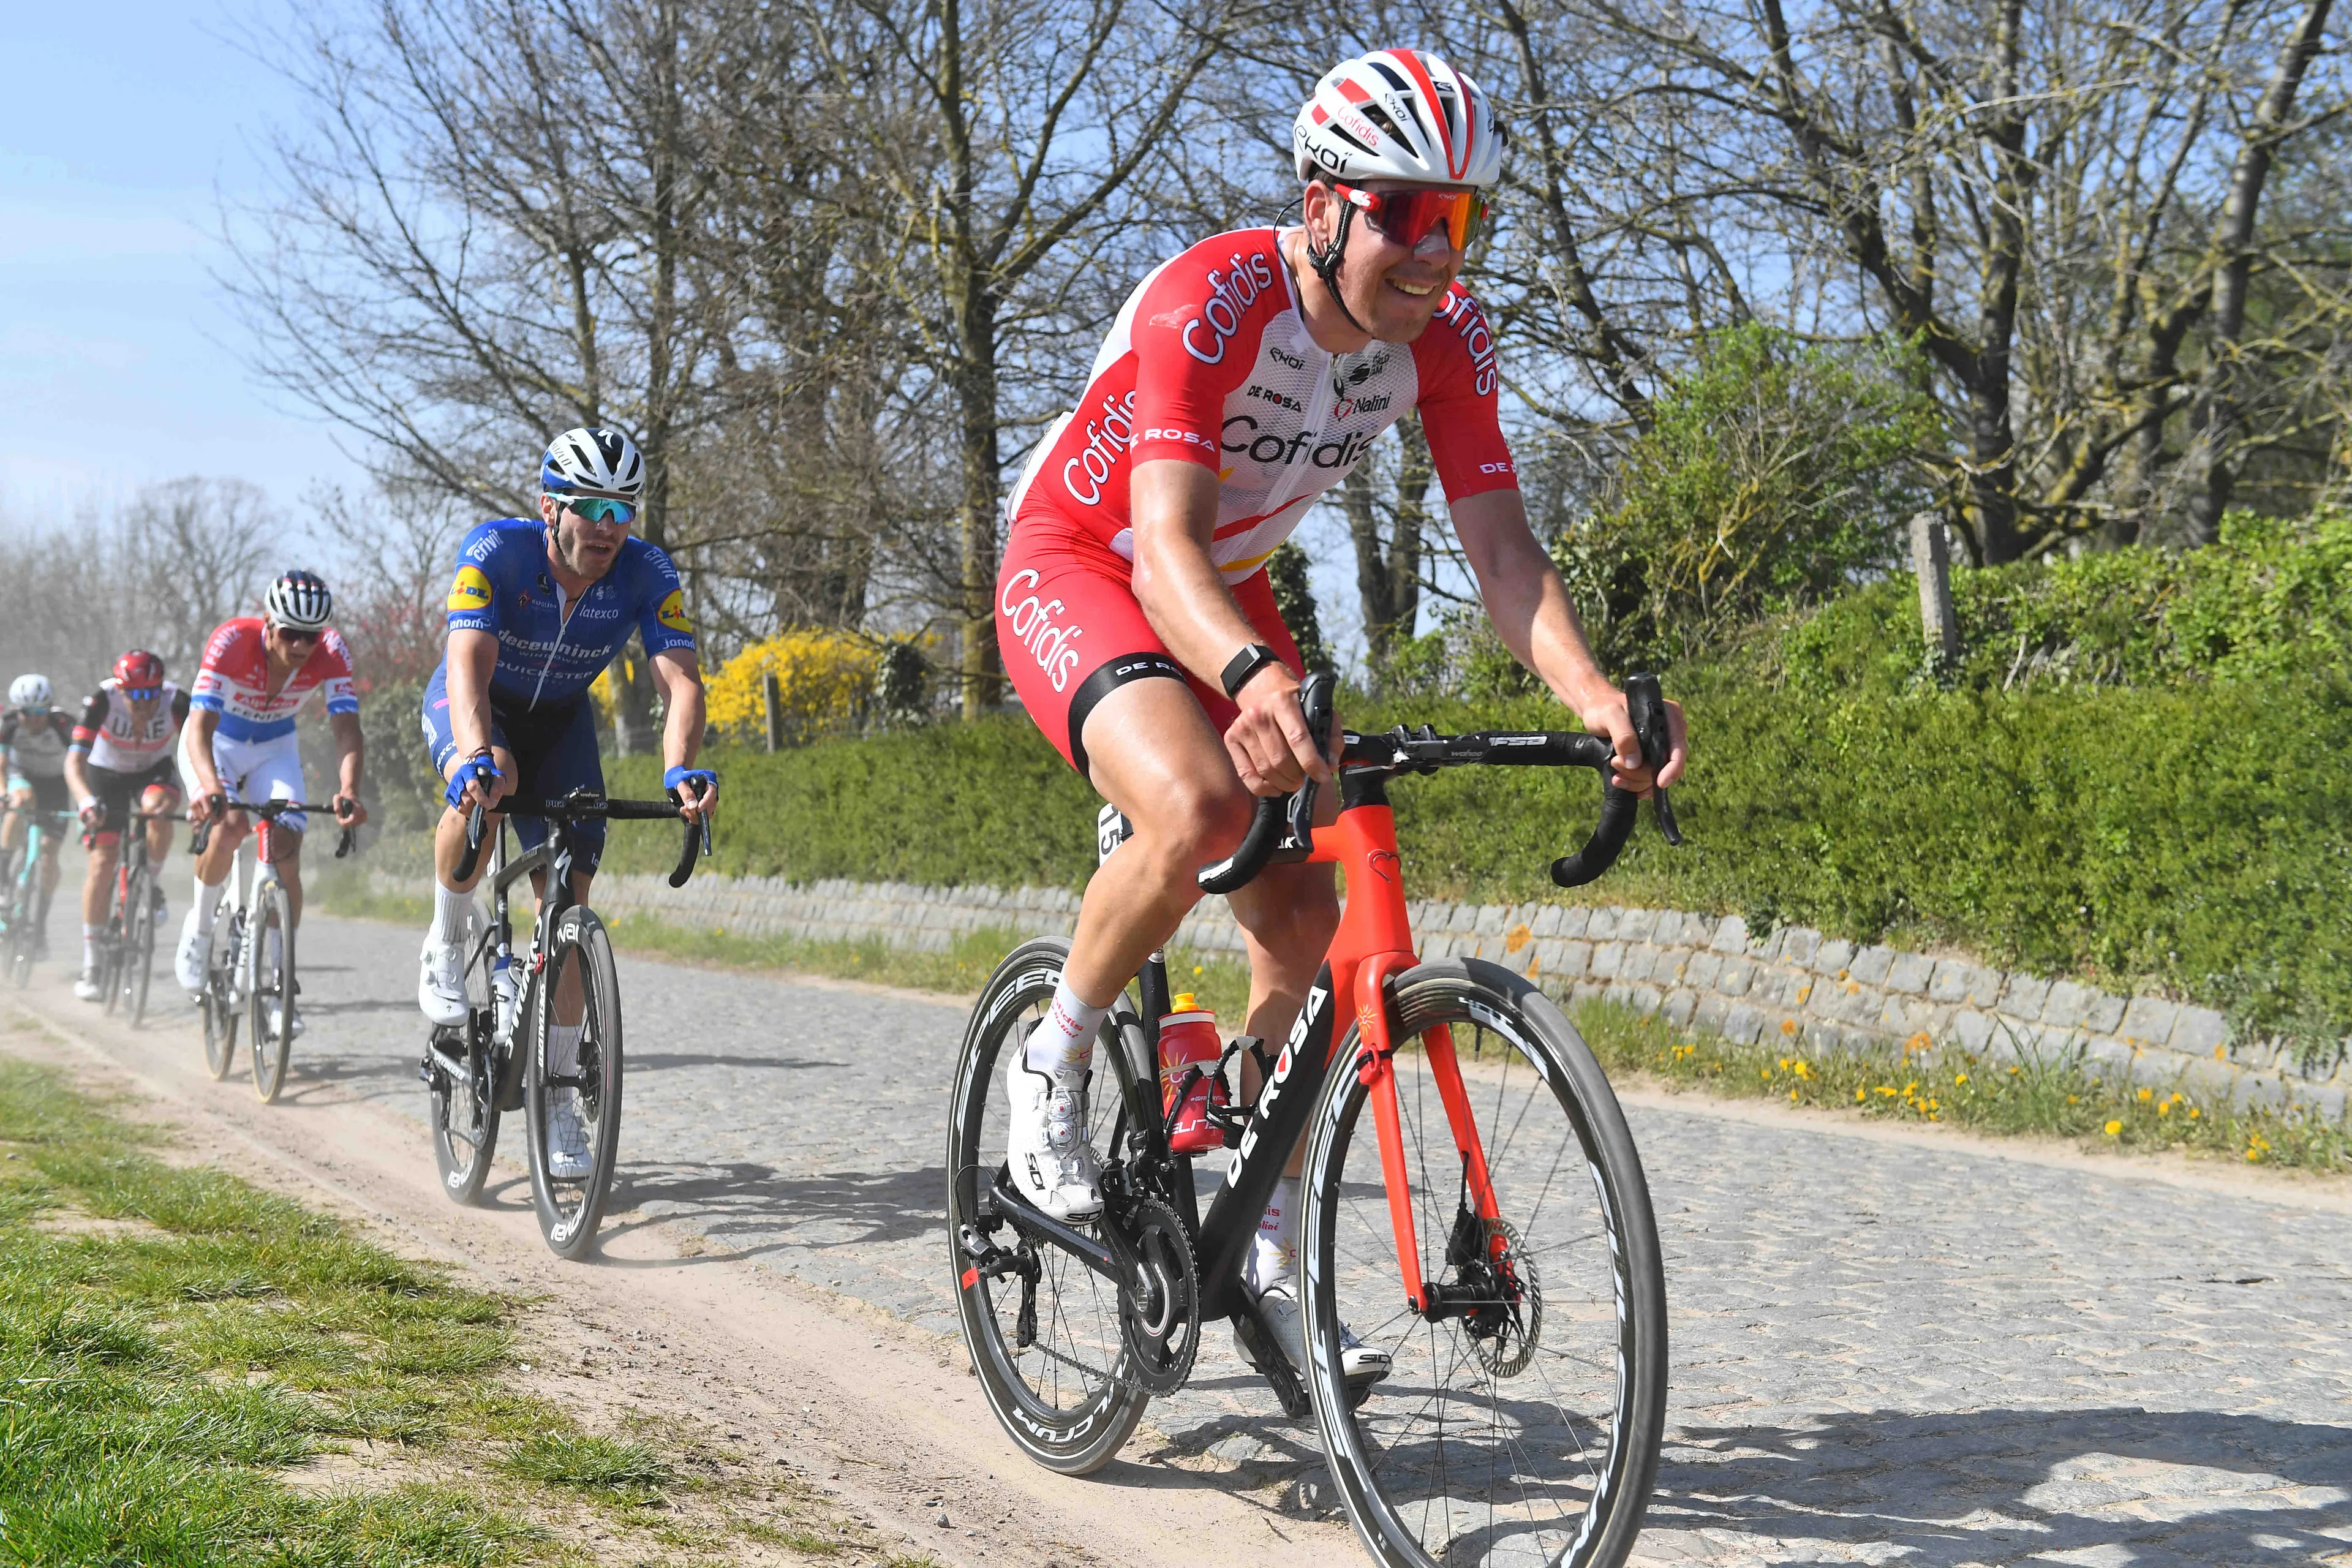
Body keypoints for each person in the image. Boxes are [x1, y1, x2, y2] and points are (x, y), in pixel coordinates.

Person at [991, 50, 1689, 1389]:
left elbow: (1503, 553)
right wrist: (1254, 676)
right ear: (1321, 206)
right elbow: (1164, 551)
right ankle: (1053, 1059)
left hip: (1225, 584)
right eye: (1407, 214)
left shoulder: (1449, 339)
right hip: (1091, 559)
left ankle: (1254, 1222)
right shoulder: (1213, 302)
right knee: (1200, 803)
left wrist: (1598, 696)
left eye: (1462, 218)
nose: (1437, 252)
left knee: (1308, 915)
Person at [418, 426, 715, 1178]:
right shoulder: (496, 552)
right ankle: (446, 940)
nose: (610, 526)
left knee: (571, 905)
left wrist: (680, 769)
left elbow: (681, 680)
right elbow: (467, 665)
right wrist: (474, 755)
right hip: (479, 705)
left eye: (623, 508)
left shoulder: (647, 570)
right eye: (593, 507)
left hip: (562, 723)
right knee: (494, 779)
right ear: (551, 507)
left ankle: (557, 1103)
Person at [174, 570, 369, 1041]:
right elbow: (199, 727)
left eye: (311, 636)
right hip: (217, 745)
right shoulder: (230, 641)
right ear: (267, 623)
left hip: (274, 748)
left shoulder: (332, 652)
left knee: (286, 845)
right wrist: (209, 789)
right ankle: (199, 930)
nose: (301, 645)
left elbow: (347, 729)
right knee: (229, 824)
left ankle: (281, 986)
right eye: (290, 633)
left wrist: (349, 789)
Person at [66, 651, 189, 1001]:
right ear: (120, 690)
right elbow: (74, 763)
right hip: (105, 776)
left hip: (152, 772)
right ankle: (92, 963)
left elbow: (199, 748)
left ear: (161, 688)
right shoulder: (101, 701)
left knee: (159, 810)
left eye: (151, 693)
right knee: (102, 863)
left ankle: (151, 883)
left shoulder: (176, 701)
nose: (144, 702)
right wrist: (86, 801)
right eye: (134, 694)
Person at [1, 674, 72, 960]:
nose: (34, 719)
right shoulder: (8, 725)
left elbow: (84, 763)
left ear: (50, 709)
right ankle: (3, 882)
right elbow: (1, 765)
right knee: (22, 800)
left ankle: (40, 927)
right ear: (17, 710)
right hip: (22, 777)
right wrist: (3, 794)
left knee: (49, 856)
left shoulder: (65, 726)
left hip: (56, 785)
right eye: (26, 713)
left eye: (40, 712)